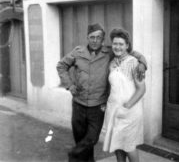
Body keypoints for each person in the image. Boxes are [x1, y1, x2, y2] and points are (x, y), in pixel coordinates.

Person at [56, 23, 147, 162]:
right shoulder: (78, 52)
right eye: (92, 37)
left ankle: (73, 156)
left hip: (98, 106)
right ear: (87, 37)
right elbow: (61, 65)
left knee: (92, 139)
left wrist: (143, 62)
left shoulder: (109, 52)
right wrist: (69, 84)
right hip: (79, 104)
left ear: (103, 39)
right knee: (82, 140)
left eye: (99, 37)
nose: (95, 40)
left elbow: (132, 52)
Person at [102, 28, 146, 162]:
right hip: (113, 110)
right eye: (115, 43)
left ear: (127, 45)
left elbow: (141, 89)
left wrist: (127, 106)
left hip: (130, 111)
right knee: (117, 144)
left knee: (129, 146)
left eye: (121, 44)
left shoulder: (134, 63)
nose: (117, 47)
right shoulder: (111, 63)